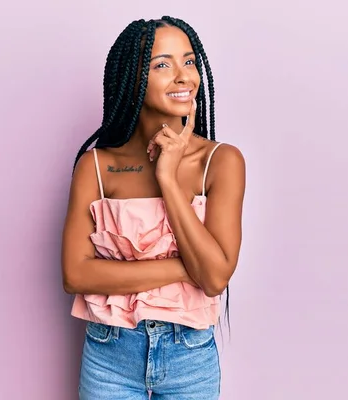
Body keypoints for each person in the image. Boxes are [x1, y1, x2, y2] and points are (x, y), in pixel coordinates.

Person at [61, 15, 245, 399]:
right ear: (132, 78)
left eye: (189, 62)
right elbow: (75, 275)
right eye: (163, 64)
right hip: (109, 355)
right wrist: (186, 267)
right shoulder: (96, 166)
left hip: (190, 359)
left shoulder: (222, 162)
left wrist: (168, 178)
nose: (183, 76)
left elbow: (214, 279)